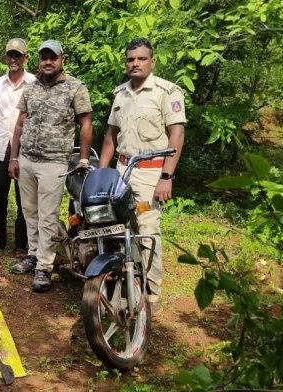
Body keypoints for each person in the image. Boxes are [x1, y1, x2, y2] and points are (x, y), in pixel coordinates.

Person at [97, 38, 186, 311]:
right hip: (122, 171)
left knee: (146, 231)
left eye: (141, 58)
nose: (135, 63)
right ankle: (125, 282)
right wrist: (101, 173)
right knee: (117, 228)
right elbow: (111, 135)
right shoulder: (120, 94)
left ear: (152, 61)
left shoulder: (166, 92)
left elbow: (177, 134)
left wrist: (166, 177)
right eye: (130, 59)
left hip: (150, 174)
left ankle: (151, 294)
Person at [8, 40, 93, 293]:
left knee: (47, 216)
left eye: (52, 57)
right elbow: (20, 124)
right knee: (29, 212)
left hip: (54, 161)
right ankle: (33, 255)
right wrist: (14, 157)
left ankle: (45, 267)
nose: (48, 62)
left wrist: (84, 159)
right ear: (38, 60)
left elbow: (86, 124)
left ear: (61, 60)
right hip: (27, 160)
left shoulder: (75, 87)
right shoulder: (30, 88)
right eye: (44, 57)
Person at [0, 38, 35, 257]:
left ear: (25, 58)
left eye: (18, 55)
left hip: (25, 148)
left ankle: (22, 244)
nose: (14, 59)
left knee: (25, 199)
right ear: (5, 58)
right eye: (10, 55)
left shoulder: (34, 83)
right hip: (0, 148)